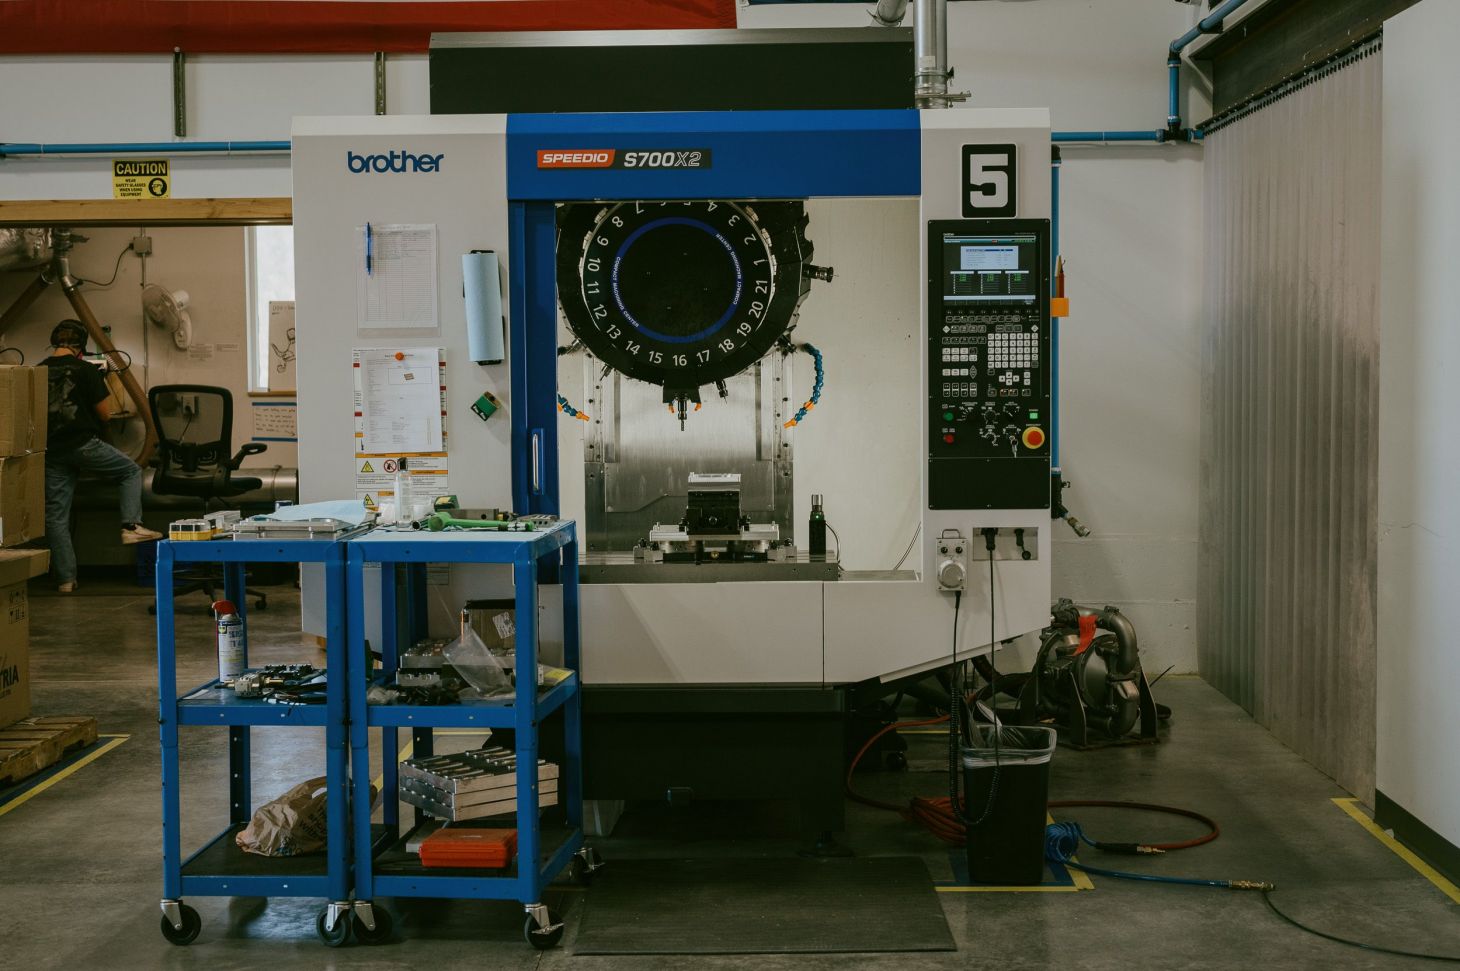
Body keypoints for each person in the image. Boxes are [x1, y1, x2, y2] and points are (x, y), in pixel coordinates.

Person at [41, 319, 161, 592]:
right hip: (82, 444)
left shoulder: (37, 370)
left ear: (54, 342)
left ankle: (65, 580)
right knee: (130, 470)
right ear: (81, 347)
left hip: (52, 451)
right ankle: (131, 526)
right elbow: (105, 415)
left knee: (56, 517)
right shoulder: (86, 370)